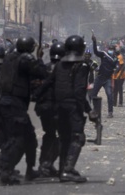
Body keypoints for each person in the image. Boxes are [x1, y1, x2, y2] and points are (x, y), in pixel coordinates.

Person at [34, 35, 89, 183]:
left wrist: (35, 96)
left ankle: (62, 170)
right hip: (73, 106)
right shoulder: (82, 65)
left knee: (64, 138)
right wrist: (89, 110)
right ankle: (68, 170)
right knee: (77, 137)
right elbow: (79, 91)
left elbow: (47, 83)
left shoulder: (59, 65)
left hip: (59, 106)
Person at [0, 37, 47, 185]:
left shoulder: (10, 57)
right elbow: (41, 72)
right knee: (15, 139)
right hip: (13, 103)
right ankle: (4, 172)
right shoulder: (26, 59)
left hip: (9, 103)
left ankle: (30, 170)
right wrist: (39, 58)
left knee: (30, 138)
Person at [34, 42, 65, 177]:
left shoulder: (44, 68)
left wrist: (39, 58)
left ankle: (45, 164)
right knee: (63, 137)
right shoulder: (64, 70)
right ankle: (50, 164)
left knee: (49, 135)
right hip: (58, 108)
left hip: (45, 108)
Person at [91, 35, 116, 118]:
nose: (110, 50)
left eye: (112, 49)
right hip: (100, 77)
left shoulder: (115, 59)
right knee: (93, 94)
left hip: (107, 79)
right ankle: (95, 110)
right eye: (110, 49)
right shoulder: (103, 54)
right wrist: (94, 42)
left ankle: (110, 112)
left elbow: (117, 67)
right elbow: (95, 51)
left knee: (109, 95)